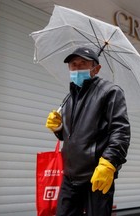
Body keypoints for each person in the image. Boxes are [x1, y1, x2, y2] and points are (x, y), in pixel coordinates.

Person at [45, 47, 131, 216]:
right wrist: (58, 128)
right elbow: (72, 135)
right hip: (70, 175)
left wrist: (109, 162)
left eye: (83, 64)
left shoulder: (110, 92)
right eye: (73, 65)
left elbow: (120, 131)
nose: (77, 69)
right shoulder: (70, 97)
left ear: (96, 68)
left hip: (97, 175)